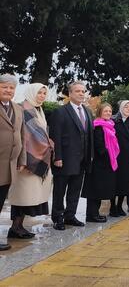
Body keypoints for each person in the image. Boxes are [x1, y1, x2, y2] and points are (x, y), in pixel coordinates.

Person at [8, 83, 53, 239]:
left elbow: (42, 134)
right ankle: (15, 227)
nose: (42, 96)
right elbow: (23, 136)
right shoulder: (22, 108)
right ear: (31, 93)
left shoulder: (38, 110)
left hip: (38, 157)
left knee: (30, 196)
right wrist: (24, 158)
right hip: (26, 160)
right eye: (39, 93)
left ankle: (19, 226)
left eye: (44, 93)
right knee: (21, 195)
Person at [49, 81, 93, 231]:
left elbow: (89, 136)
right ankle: (58, 218)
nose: (81, 93)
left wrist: (90, 156)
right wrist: (57, 157)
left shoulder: (87, 111)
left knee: (75, 190)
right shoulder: (60, 112)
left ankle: (70, 215)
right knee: (60, 190)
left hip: (82, 160)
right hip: (64, 159)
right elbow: (55, 136)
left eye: (83, 91)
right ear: (70, 94)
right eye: (78, 91)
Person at [0, 74, 26, 250]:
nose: (8, 91)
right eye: (4, 87)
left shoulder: (18, 108)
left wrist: (22, 159)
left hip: (9, 165)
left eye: (11, 88)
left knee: (1, 202)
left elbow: (22, 136)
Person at [82, 103, 117, 223]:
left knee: (99, 190)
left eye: (110, 111)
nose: (108, 113)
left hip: (105, 163)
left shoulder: (110, 125)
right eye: (105, 111)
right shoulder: (98, 126)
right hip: (98, 163)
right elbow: (99, 147)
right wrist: (109, 155)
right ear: (100, 112)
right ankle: (92, 215)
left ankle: (94, 213)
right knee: (95, 191)